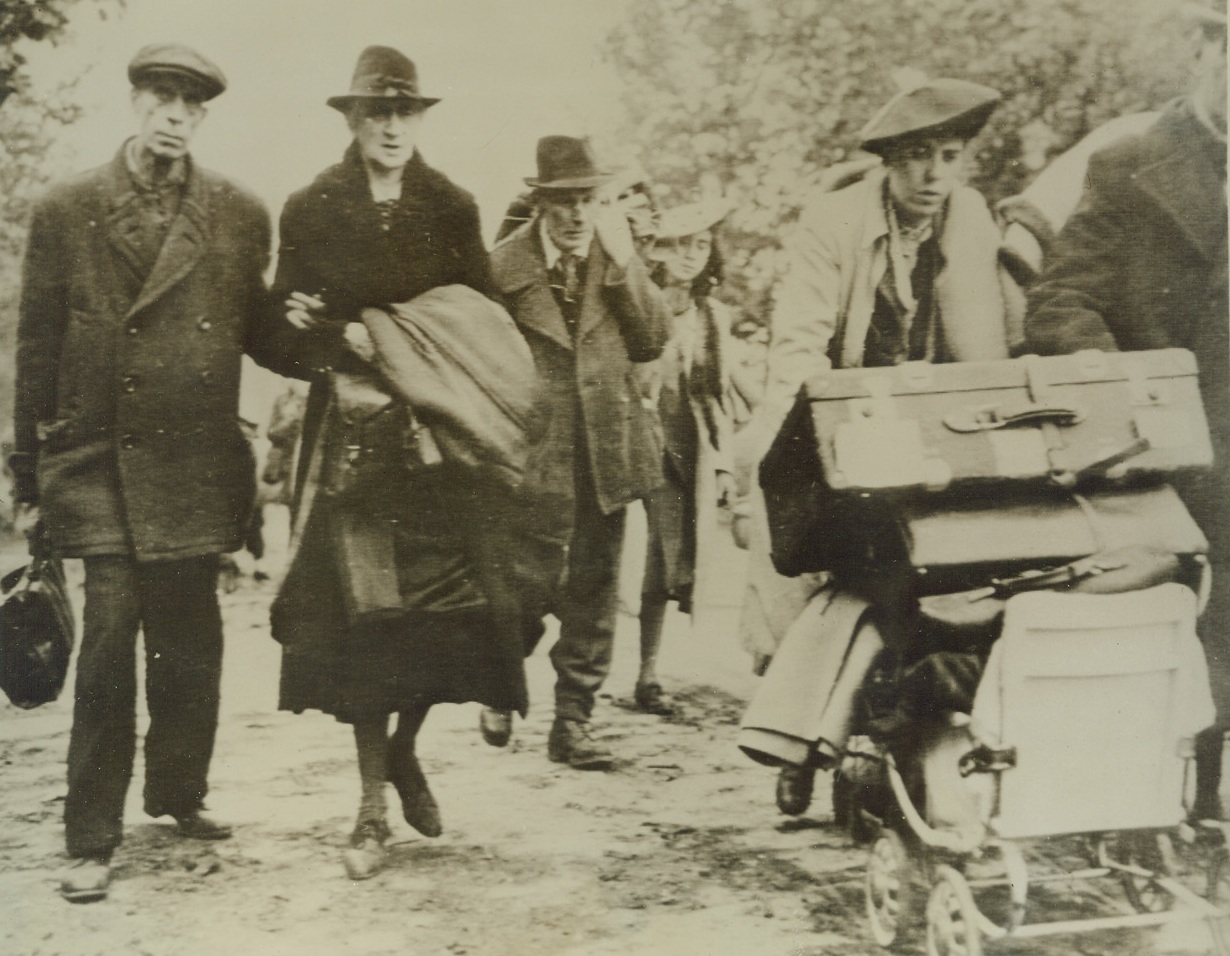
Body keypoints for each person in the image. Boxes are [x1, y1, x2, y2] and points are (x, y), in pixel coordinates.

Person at [11, 44, 275, 902]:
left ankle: (177, 794)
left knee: (191, 637)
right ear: (135, 102)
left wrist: (331, 331)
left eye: (189, 105)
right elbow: (37, 349)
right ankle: (90, 834)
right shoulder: (68, 208)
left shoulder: (238, 214)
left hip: (197, 462)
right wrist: (24, 479)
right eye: (161, 97)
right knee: (111, 639)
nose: (173, 115)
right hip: (97, 460)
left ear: (202, 117)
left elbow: (258, 331)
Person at [264, 46, 530, 880]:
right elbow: (277, 331)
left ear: (420, 120)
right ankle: (371, 809)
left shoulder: (451, 205)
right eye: (375, 113)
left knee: (461, 616)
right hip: (351, 448)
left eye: (404, 113)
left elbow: (482, 317)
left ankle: (407, 750)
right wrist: (314, 333)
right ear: (351, 119)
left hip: (439, 451)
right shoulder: (310, 207)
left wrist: (389, 335)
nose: (390, 127)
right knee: (363, 624)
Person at [738, 77, 1014, 817]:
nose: (934, 176)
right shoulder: (833, 222)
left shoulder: (969, 217)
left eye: (950, 157)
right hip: (838, 431)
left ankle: (920, 735)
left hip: (934, 440)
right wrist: (812, 446)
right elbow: (798, 352)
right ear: (890, 161)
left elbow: (984, 351)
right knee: (842, 575)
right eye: (919, 157)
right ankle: (803, 734)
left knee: (969, 571)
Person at [1026, 0, 1228, 820]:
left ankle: (1207, 813)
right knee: (1162, 642)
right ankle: (1145, 810)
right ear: (1207, 49)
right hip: (1163, 461)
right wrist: (1120, 388)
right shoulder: (1130, 162)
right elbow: (1060, 298)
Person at [484, 136, 670, 769]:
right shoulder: (500, 269)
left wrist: (624, 265)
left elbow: (651, 341)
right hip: (531, 452)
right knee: (521, 586)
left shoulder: (616, 261)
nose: (576, 216)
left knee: (593, 590)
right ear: (539, 203)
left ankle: (574, 721)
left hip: (605, 450)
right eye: (562, 202)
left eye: (587, 200)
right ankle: (500, 683)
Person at [634, 198, 738, 714]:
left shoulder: (710, 316)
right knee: (616, 554)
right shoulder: (637, 300)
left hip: (684, 442)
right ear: (657, 248)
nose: (691, 254)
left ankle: (647, 674)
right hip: (635, 434)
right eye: (679, 243)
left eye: (701, 244)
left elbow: (716, 395)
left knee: (667, 559)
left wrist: (722, 463)